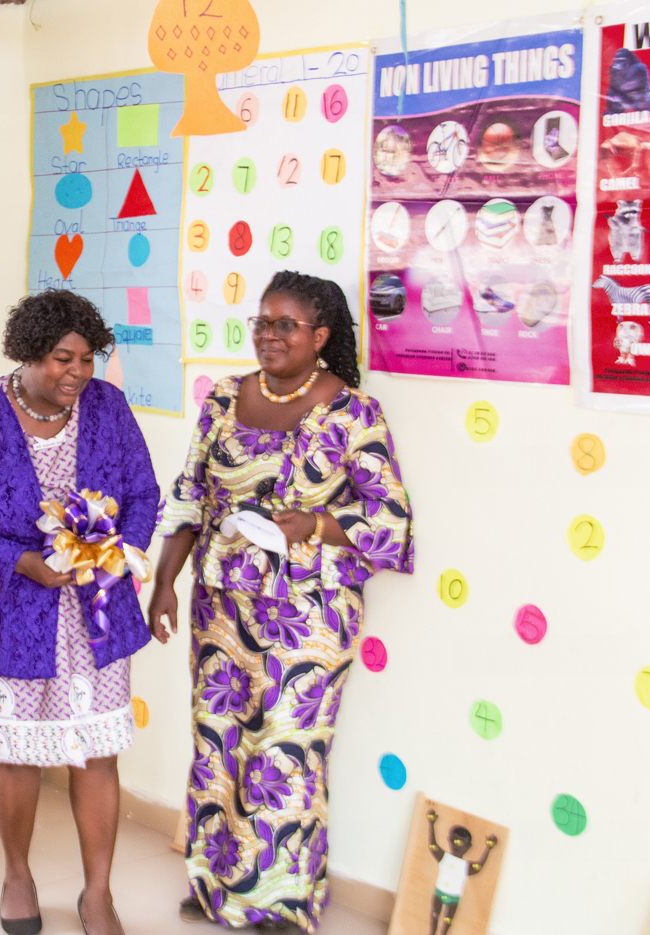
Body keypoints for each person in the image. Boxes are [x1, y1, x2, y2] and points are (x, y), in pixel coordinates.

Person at [148, 271, 413, 933]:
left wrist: (315, 524)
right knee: (217, 738)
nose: (268, 335)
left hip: (309, 613)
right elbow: (189, 494)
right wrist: (163, 583)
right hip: (221, 607)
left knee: (286, 751)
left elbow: (392, 522)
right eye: (262, 322)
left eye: (285, 325)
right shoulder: (225, 397)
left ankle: (282, 900)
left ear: (320, 335)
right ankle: (217, 882)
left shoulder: (353, 413)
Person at [0, 290, 158, 935]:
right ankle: (17, 875)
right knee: (16, 753)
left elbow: (143, 491)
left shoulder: (107, 407)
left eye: (87, 359)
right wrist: (21, 561)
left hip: (96, 615)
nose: (77, 373)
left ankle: (98, 893)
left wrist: (120, 555)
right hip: (9, 615)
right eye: (62, 359)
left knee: (99, 753)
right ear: (27, 354)